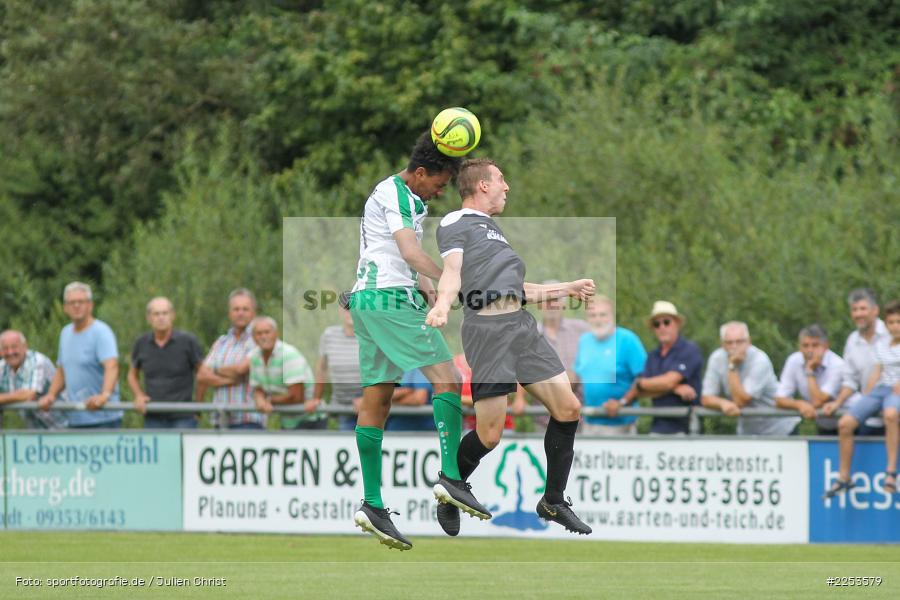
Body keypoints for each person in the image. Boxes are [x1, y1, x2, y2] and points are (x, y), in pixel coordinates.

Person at [427, 158, 595, 536]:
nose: (507, 186)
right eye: (501, 180)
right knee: (489, 435)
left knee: (568, 408)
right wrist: (441, 305)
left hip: (521, 326)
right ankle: (450, 485)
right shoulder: (456, 222)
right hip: (489, 333)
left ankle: (553, 500)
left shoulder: (495, 233)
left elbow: (517, 292)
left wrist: (565, 288)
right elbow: (452, 272)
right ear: (482, 185)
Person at [348, 132, 486, 551]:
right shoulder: (399, 195)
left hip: (368, 301)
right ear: (420, 172)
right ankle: (450, 475)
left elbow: (403, 259)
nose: (441, 191)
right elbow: (409, 254)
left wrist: (434, 294)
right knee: (447, 380)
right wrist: (455, 280)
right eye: (439, 183)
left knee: (377, 400)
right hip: (388, 300)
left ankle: (372, 503)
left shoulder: (404, 196)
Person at [826, 300, 900, 498]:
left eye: (898, 322)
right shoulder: (882, 345)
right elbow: (876, 372)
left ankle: (891, 472)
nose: (895, 326)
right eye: (892, 322)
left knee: (891, 414)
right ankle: (843, 477)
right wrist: (865, 400)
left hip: (897, 391)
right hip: (883, 388)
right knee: (845, 423)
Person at [38, 282, 122, 428]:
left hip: (103, 418)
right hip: (75, 417)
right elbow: (62, 369)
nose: (76, 306)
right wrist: (51, 395)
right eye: (72, 302)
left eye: (81, 302)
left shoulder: (101, 332)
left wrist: (105, 395)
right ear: (65, 307)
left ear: (90, 305)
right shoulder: (65, 333)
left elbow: (112, 366)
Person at [515, 283, 591, 431]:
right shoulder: (529, 331)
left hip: (580, 413)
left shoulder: (581, 328)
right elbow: (519, 366)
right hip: (544, 414)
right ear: (539, 305)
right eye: (547, 300)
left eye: (555, 299)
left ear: (563, 305)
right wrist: (520, 398)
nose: (551, 305)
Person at [701, 321, 798, 435]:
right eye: (729, 342)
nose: (734, 347)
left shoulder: (760, 360)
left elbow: (741, 401)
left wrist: (732, 366)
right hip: (749, 431)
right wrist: (723, 404)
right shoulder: (716, 358)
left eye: (739, 341)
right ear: (722, 344)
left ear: (749, 342)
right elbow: (706, 398)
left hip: (781, 428)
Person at [572, 296, 646, 435]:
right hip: (589, 422)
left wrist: (622, 402)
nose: (598, 319)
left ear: (612, 315)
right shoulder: (584, 341)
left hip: (622, 424)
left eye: (602, 314)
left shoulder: (627, 339)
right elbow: (576, 376)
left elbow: (643, 378)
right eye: (592, 315)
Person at [128, 297, 204, 429]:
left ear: (172, 315)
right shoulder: (141, 343)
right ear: (149, 318)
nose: (161, 317)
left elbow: (203, 375)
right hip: (153, 417)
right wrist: (139, 395)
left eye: (165, 313)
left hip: (183, 417)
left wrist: (197, 406)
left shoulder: (188, 341)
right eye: (156, 314)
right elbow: (132, 375)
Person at [630, 301, 704, 435]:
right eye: (657, 324)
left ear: (677, 324)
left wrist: (646, 384)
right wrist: (675, 388)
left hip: (688, 429)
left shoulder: (689, 350)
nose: (662, 327)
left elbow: (663, 382)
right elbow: (640, 391)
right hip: (658, 427)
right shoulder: (653, 355)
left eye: (666, 322)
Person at [823, 288, 889, 435]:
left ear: (875, 310)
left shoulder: (891, 334)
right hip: (870, 415)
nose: (858, 314)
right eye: (855, 310)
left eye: (863, 309)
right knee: (845, 426)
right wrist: (837, 403)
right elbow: (850, 381)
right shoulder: (852, 340)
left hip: (893, 413)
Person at [196, 289, 260, 429]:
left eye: (245, 309)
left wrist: (215, 370)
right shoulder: (221, 342)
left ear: (253, 313)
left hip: (248, 419)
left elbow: (240, 369)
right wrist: (229, 379)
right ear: (229, 313)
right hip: (221, 420)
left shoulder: (259, 340)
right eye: (236, 309)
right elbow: (201, 375)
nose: (240, 313)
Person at [250, 316, 324, 430]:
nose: (263, 336)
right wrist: (259, 399)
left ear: (276, 333)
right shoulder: (254, 357)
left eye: (267, 332)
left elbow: (296, 397)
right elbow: (258, 388)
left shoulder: (288, 355)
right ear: (253, 337)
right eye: (259, 333)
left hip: (310, 419)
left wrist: (269, 400)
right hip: (288, 420)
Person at [774, 325, 845, 434]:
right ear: (799, 346)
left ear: (825, 346)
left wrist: (809, 371)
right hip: (824, 426)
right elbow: (779, 399)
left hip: (850, 423)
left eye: (815, 345)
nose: (810, 350)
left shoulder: (837, 365)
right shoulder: (794, 360)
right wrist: (800, 404)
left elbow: (817, 401)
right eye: (805, 346)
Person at [312, 291, 363, 431]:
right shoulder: (329, 335)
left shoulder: (372, 335)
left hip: (369, 407)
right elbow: (322, 368)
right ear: (341, 311)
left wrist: (368, 400)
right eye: (347, 308)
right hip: (342, 406)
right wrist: (316, 397)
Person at [0, 330, 66, 429]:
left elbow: (29, 394)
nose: (10, 352)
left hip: (65, 426)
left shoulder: (37, 361)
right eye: (5, 348)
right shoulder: (2, 366)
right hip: (35, 432)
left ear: (25, 346)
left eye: (14, 347)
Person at [454, 353, 520, 432]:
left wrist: (519, 398)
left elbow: (489, 398)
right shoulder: (454, 363)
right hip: (469, 427)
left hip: (500, 428)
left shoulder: (497, 361)